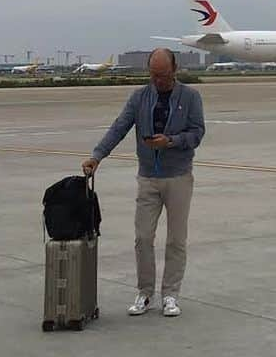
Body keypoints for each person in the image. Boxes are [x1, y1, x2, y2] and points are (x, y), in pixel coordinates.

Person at [82, 48, 205, 317]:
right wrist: (97, 156)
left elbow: (197, 133)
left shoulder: (191, 97)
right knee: (143, 237)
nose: (157, 80)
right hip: (148, 177)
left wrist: (171, 141)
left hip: (178, 177)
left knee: (176, 240)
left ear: (174, 70)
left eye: (162, 75)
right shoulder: (140, 97)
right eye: (152, 74)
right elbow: (119, 127)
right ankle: (145, 293)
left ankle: (170, 294)